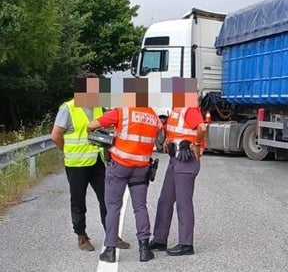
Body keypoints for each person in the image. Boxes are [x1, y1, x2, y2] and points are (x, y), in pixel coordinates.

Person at [51, 94, 130, 252]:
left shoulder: (98, 107)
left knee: (107, 199)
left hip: (97, 161)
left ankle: (112, 235)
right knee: (78, 201)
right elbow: (56, 135)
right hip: (76, 163)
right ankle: (81, 235)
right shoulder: (68, 108)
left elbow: (104, 129)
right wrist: (65, 149)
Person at [87, 106, 162, 263]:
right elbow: (159, 133)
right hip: (141, 167)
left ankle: (110, 250)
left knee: (113, 208)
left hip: (119, 167)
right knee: (140, 207)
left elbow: (91, 126)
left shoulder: (122, 111)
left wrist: (110, 133)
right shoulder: (152, 115)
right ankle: (144, 250)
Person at [148, 106, 207, 256]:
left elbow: (202, 128)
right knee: (165, 200)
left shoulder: (189, 108)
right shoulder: (176, 109)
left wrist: (197, 144)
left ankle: (186, 244)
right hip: (175, 159)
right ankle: (160, 239)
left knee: (183, 203)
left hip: (186, 160)